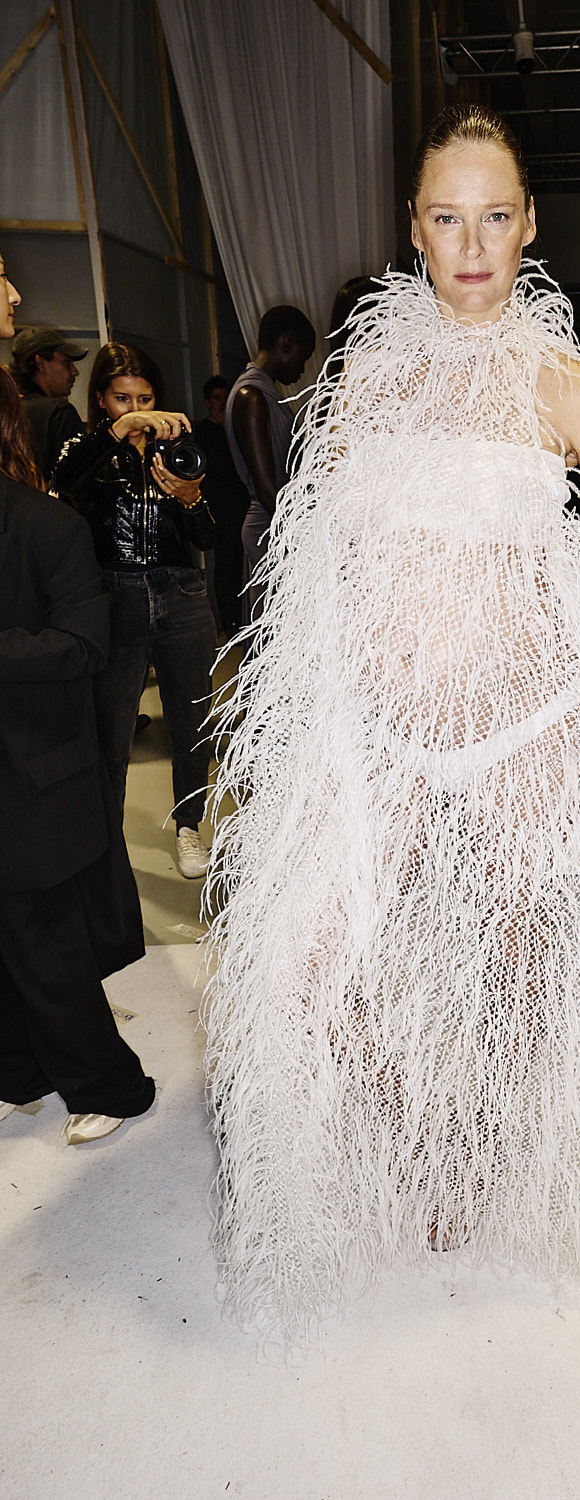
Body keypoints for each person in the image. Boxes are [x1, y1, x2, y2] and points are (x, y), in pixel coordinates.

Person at [205, 103, 580, 1339]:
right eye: (445, 218)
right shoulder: (365, 375)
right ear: (413, 230)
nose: (471, 244)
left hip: (526, 739)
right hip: (379, 745)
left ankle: (485, 1162)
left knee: (519, 971)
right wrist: (315, 714)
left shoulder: (559, 381)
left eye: (494, 217)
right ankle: (406, 1135)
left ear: (528, 227)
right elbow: (319, 567)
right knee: (340, 966)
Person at [0, 256, 154, 1145]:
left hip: (38, 778)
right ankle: (19, 1072)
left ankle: (110, 1085)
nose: (18, 294)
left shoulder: (47, 526)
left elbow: (85, 647)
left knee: (44, 943)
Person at [51, 343, 218, 880]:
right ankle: (107, 841)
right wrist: (120, 434)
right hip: (114, 591)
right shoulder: (87, 446)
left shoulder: (177, 447)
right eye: (122, 398)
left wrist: (191, 497)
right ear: (100, 399)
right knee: (111, 727)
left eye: (145, 398)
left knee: (192, 719)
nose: (136, 408)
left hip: (182, 590)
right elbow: (63, 487)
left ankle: (189, 826)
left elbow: (207, 538)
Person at [225, 305, 315, 622]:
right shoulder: (251, 395)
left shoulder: (267, 392)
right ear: (286, 343)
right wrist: (299, 538)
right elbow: (266, 488)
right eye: (303, 358)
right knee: (275, 631)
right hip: (269, 525)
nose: (302, 369)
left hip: (277, 522)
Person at [194, 376, 249, 635]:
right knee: (225, 566)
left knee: (239, 563)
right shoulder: (205, 432)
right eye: (217, 398)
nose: (222, 402)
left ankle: (240, 618)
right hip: (220, 510)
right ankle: (229, 622)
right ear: (208, 402)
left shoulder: (235, 429)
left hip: (240, 506)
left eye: (226, 397)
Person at [10, 324, 87, 482]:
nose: (74, 371)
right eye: (66, 363)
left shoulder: (9, 409)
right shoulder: (59, 412)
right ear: (41, 363)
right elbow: (76, 481)